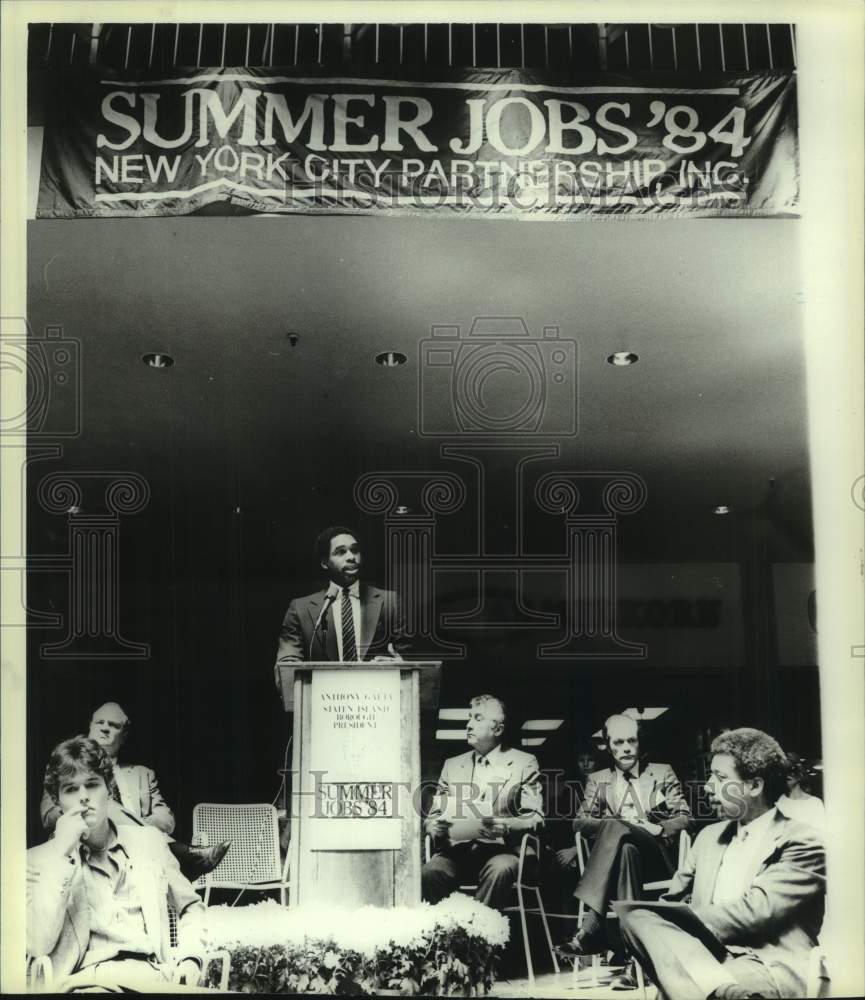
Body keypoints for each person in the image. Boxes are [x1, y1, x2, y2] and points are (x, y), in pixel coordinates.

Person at [618, 728, 825, 1000]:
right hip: (705, 957)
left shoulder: (803, 840)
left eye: (720, 778)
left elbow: (756, 912)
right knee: (635, 917)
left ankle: (719, 988)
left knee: (679, 988)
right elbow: (672, 901)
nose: (707, 787)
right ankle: (726, 992)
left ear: (754, 786)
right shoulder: (707, 837)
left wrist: (684, 922)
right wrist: (667, 919)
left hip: (766, 963)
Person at [28, 736, 207, 990]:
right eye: (70, 789)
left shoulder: (150, 842)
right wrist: (62, 856)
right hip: (87, 984)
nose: (83, 797)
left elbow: (191, 906)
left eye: (92, 785)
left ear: (109, 788)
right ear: (57, 801)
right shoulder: (37, 861)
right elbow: (38, 943)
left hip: (155, 979)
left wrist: (191, 958)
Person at [40, 702, 229, 882]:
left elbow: (166, 819)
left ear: (124, 736)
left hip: (139, 854)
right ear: (90, 727)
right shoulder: (66, 767)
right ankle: (181, 854)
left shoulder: (142, 774)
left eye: (113, 725)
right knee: (103, 803)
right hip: (84, 844)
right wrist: (92, 813)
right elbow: (49, 816)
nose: (105, 728)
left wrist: (128, 827)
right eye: (100, 722)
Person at [558, 713, 691, 965]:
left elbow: (685, 817)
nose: (626, 748)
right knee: (625, 844)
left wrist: (658, 829)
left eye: (631, 740)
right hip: (621, 865)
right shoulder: (598, 780)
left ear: (640, 742)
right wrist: (617, 825)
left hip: (657, 860)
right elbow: (579, 821)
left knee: (619, 830)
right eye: (618, 742)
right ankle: (634, 958)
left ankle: (591, 926)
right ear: (608, 746)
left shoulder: (661, 773)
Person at [422, 694, 543, 911]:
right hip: (458, 852)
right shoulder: (452, 765)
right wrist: (434, 827)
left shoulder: (524, 763)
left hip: (503, 852)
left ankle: (480, 938)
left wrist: (506, 826)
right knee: (430, 873)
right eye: (469, 718)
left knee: (500, 870)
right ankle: (444, 938)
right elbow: (432, 817)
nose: (468, 725)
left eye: (477, 718)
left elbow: (535, 817)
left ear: (498, 729)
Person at [274, 525, 406, 685]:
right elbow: (288, 663)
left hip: (377, 700)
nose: (351, 557)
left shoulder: (389, 602)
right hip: (325, 702)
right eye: (341, 552)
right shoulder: (300, 609)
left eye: (355, 550)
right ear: (324, 563)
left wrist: (401, 664)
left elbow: (408, 657)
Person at [776, 752, 825, 832]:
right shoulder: (779, 804)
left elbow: (821, 834)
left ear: (799, 774)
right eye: (784, 771)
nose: (788, 774)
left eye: (792, 770)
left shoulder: (815, 803)